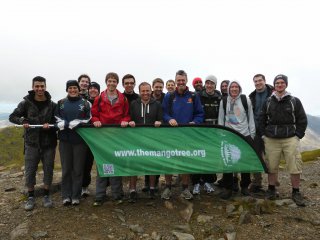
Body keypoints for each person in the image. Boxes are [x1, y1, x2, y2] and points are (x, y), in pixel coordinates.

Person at [9, 76, 57, 211]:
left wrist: (51, 125)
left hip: (49, 143)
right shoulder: (25, 103)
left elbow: (57, 121)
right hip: (31, 143)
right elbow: (12, 117)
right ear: (33, 87)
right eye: (37, 86)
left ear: (45, 87)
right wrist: (22, 121)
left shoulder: (52, 105)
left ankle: (47, 195)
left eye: (42, 86)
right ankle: (30, 196)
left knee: (48, 169)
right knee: (30, 171)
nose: (40, 89)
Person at [259, 74, 307, 206]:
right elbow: (261, 119)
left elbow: (302, 119)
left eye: (282, 83)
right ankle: (271, 189)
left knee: (294, 166)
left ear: (286, 84)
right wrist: (263, 135)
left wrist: (298, 136)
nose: (279, 85)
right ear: (274, 85)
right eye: (277, 83)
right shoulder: (268, 101)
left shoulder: (294, 101)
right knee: (271, 166)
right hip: (271, 139)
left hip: (290, 138)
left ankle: (296, 192)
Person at [162, 70, 204, 200]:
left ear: (186, 80)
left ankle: (185, 188)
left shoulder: (193, 96)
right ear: (175, 81)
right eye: (178, 80)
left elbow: (200, 113)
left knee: (185, 161)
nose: (180, 82)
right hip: (171, 134)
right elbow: (163, 112)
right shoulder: (169, 96)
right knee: (168, 161)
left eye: (183, 80)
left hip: (187, 135)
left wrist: (195, 122)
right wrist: (169, 119)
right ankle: (168, 187)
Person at [91, 72, 130, 206]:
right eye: (109, 81)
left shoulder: (123, 98)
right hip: (102, 136)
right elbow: (94, 114)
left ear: (117, 83)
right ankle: (100, 195)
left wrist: (125, 121)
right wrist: (95, 120)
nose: (112, 83)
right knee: (102, 164)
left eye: (114, 81)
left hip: (117, 136)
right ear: (106, 82)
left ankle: (117, 194)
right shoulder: (99, 98)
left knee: (115, 164)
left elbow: (126, 115)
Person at [55, 80, 91, 206]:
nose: (72, 90)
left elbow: (89, 118)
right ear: (67, 89)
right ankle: (66, 196)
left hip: (80, 141)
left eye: (75, 88)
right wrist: (61, 122)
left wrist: (79, 122)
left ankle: (76, 196)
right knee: (66, 169)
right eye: (70, 88)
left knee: (78, 169)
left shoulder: (85, 103)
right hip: (65, 140)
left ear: (78, 89)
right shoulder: (60, 103)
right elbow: (56, 117)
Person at [218, 80, 255, 199]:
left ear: (239, 88)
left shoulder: (245, 100)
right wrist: (221, 134)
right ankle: (228, 188)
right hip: (229, 135)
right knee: (228, 161)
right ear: (228, 89)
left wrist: (252, 135)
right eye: (232, 87)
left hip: (244, 134)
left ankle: (244, 186)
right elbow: (221, 119)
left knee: (245, 162)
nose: (234, 89)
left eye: (236, 87)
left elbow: (250, 118)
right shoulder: (224, 101)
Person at [128, 82, 163, 202]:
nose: (145, 93)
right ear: (139, 92)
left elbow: (161, 119)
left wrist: (159, 122)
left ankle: (152, 188)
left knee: (152, 163)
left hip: (152, 139)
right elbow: (129, 118)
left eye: (147, 90)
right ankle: (132, 189)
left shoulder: (157, 104)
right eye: (143, 91)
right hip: (136, 139)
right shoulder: (133, 104)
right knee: (134, 163)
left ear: (151, 91)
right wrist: (130, 122)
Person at [192, 75, 221, 195]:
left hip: (214, 130)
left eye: (212, 83)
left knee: (210, 156)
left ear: (215, 85)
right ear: (205, 84)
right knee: (197, 155)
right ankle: (196, 182)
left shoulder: (219, 97)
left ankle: (208, 181)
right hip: (200, 129)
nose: (209, 85)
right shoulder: (198, 96)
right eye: (207, 83)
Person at [248, 74, 273, 193]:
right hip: (256, 131)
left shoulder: (273, 93)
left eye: (260, 80)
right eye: (255, 81)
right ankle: (257, 182)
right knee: (255, 156)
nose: (258, 83)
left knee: (271, 158)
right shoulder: (251, 96)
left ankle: (272, 185)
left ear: (264, 81)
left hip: (270, 132)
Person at [81, 81, 101, 197]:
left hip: (101, 136)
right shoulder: (83, 102)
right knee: (86, 163)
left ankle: (104, 187)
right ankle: (84, 186)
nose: (93, 90)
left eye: (95, 88)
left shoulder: (103, 101)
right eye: (91, 88)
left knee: (102, 162)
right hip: (87, 136)